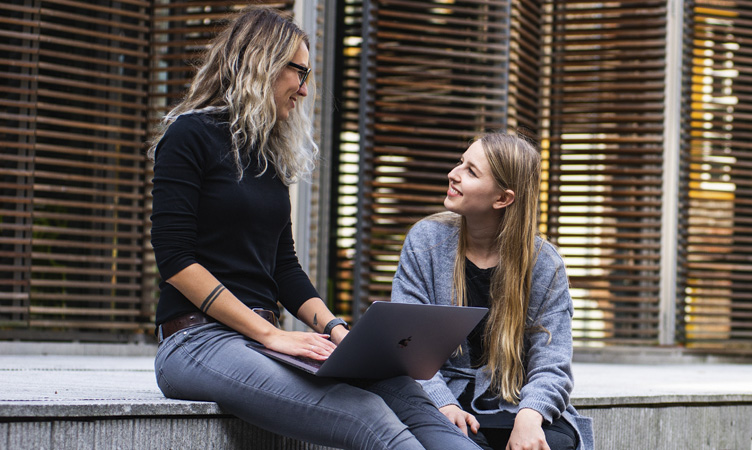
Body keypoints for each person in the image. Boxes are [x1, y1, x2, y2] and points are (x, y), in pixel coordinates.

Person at [147, 7, 479, 449]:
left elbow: (284, 269)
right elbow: (175, 261)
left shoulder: (268, 157)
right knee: (367, 416)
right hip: (197, 342)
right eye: (299, 72)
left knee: (406, 396)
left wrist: (339, 331)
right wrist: (272, 334)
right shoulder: (189, 136)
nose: (305, 90)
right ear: (261, 62)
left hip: (262, 342)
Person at [390, 133, 595, 450]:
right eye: (461, 162)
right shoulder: (426, 241)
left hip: (517, 401)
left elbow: (552, 365)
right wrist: (442, 403)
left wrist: (530, 416)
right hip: (444, 400)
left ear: (503, 199)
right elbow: (407, 345)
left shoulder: (544, 264)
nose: (453, 174)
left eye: (471, 171)